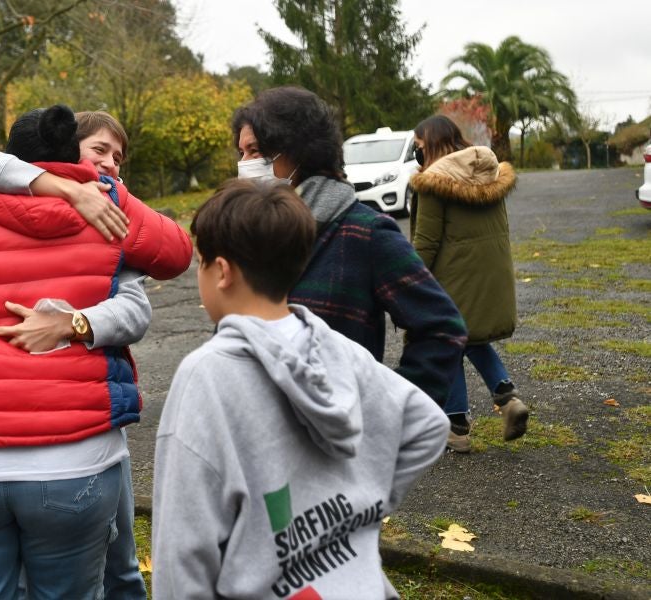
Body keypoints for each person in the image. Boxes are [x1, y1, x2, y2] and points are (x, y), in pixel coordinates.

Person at [0, 105, 192, 599]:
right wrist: (112, 194)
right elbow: (176, 254)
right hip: (73, 462)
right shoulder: (108, 208)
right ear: (73, 152)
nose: (109, 164)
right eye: (100, 152)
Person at [152, 178, 450, 598]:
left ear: (222, 271)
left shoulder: (206, 375)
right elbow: (428, 425)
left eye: (201, 262)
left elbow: (182, 550)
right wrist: (361, 510)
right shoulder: (332, 345)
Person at [231, 86, 468, 408]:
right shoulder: (249, 236)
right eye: (241, 153)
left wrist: (388, 414)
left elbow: (441, 327)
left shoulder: (365, 232)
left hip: (334, 445)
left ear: (299, 150)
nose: (246, 164)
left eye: (256, 151)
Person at [408, 115, 529, 453]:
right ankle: (506, 396)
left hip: (453, 277)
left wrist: (411, 281)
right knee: (468, 338)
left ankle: (457, 426)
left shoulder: (435, 182)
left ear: (431, 145)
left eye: (419, 148)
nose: (418, 156)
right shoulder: (488, 172)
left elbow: (427, 242)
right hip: (490, 275)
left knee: (450, 340)